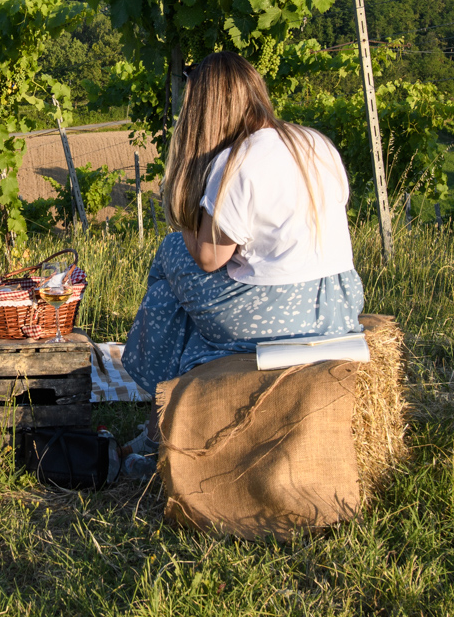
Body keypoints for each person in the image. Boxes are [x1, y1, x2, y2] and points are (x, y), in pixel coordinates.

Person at [121, 51, 365, 457]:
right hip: (339, 302)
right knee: (186, 287)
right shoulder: (315, 141)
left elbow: (209, 259)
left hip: (281, 316)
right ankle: (184, 384)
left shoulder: (236, 163)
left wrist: (184, 205)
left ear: (204, 110)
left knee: (170, 266)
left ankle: (157, 425)